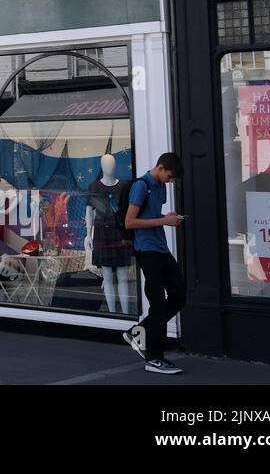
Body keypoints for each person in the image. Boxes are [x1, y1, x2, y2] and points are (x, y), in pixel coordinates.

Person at [122, 151, 186, 375]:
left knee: (179, 295)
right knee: (158, 304)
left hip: (161, 248)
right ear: (160, 168)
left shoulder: (161, 187)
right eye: (169, 176)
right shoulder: (142, 186)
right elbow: (129, 222)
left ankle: (139, 331)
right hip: (146, 250)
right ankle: (154, 358)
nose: (170, 181)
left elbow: (152, 214)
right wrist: (164, 221)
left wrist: (168, 217)